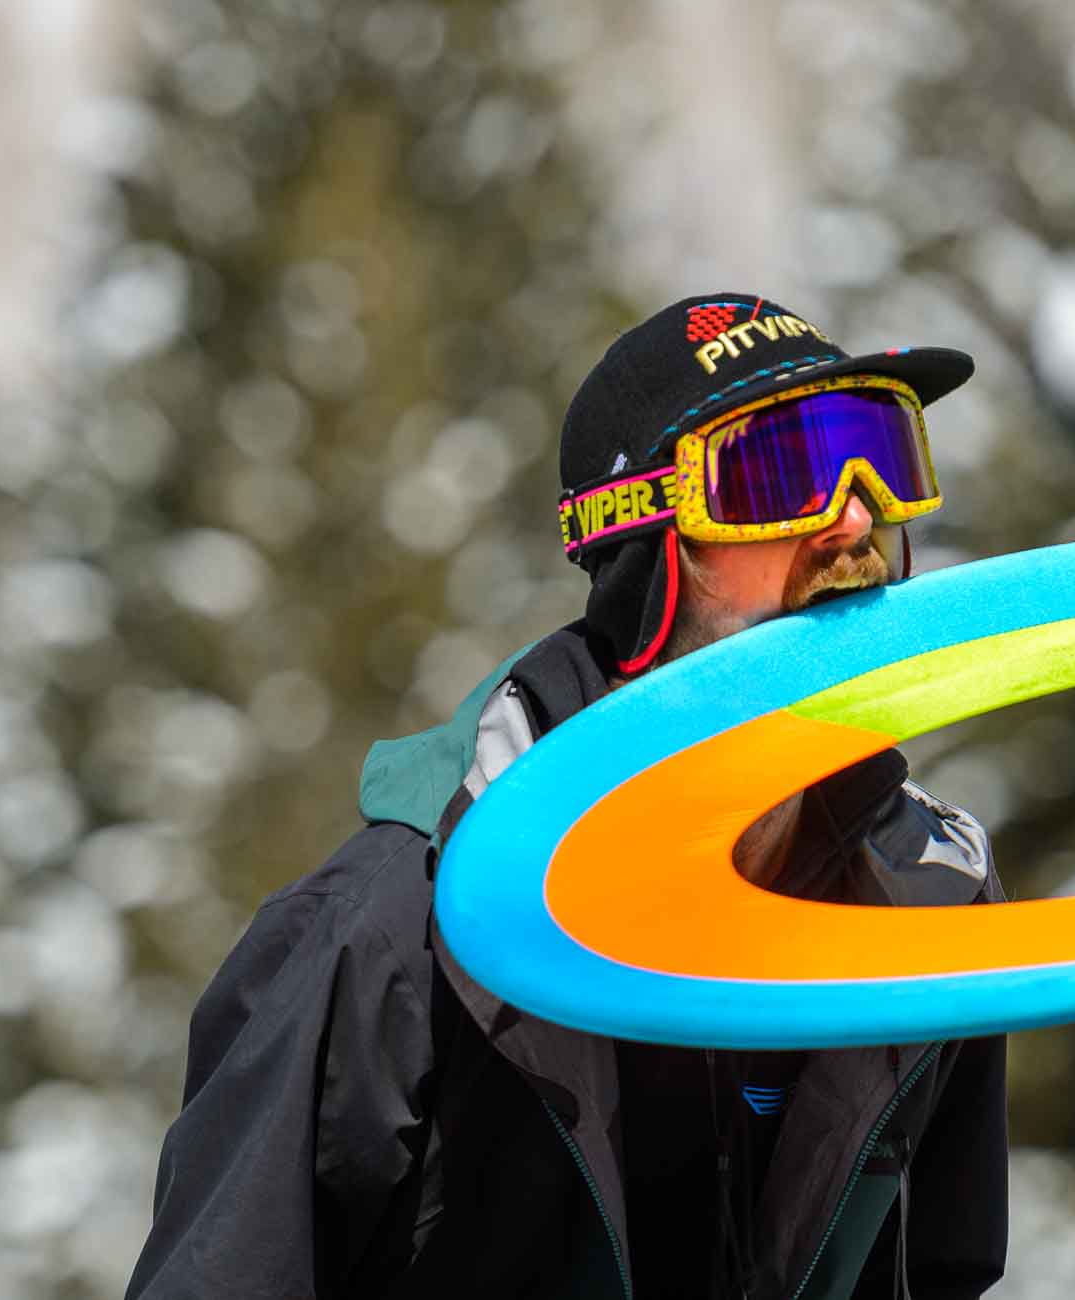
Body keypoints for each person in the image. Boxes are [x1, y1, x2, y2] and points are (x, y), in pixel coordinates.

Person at [126, 294, 1010, 1300]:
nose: (857, 514)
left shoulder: (930, 909)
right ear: (645, 553)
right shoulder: (387, 936)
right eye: (777, 475)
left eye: (884, 455)